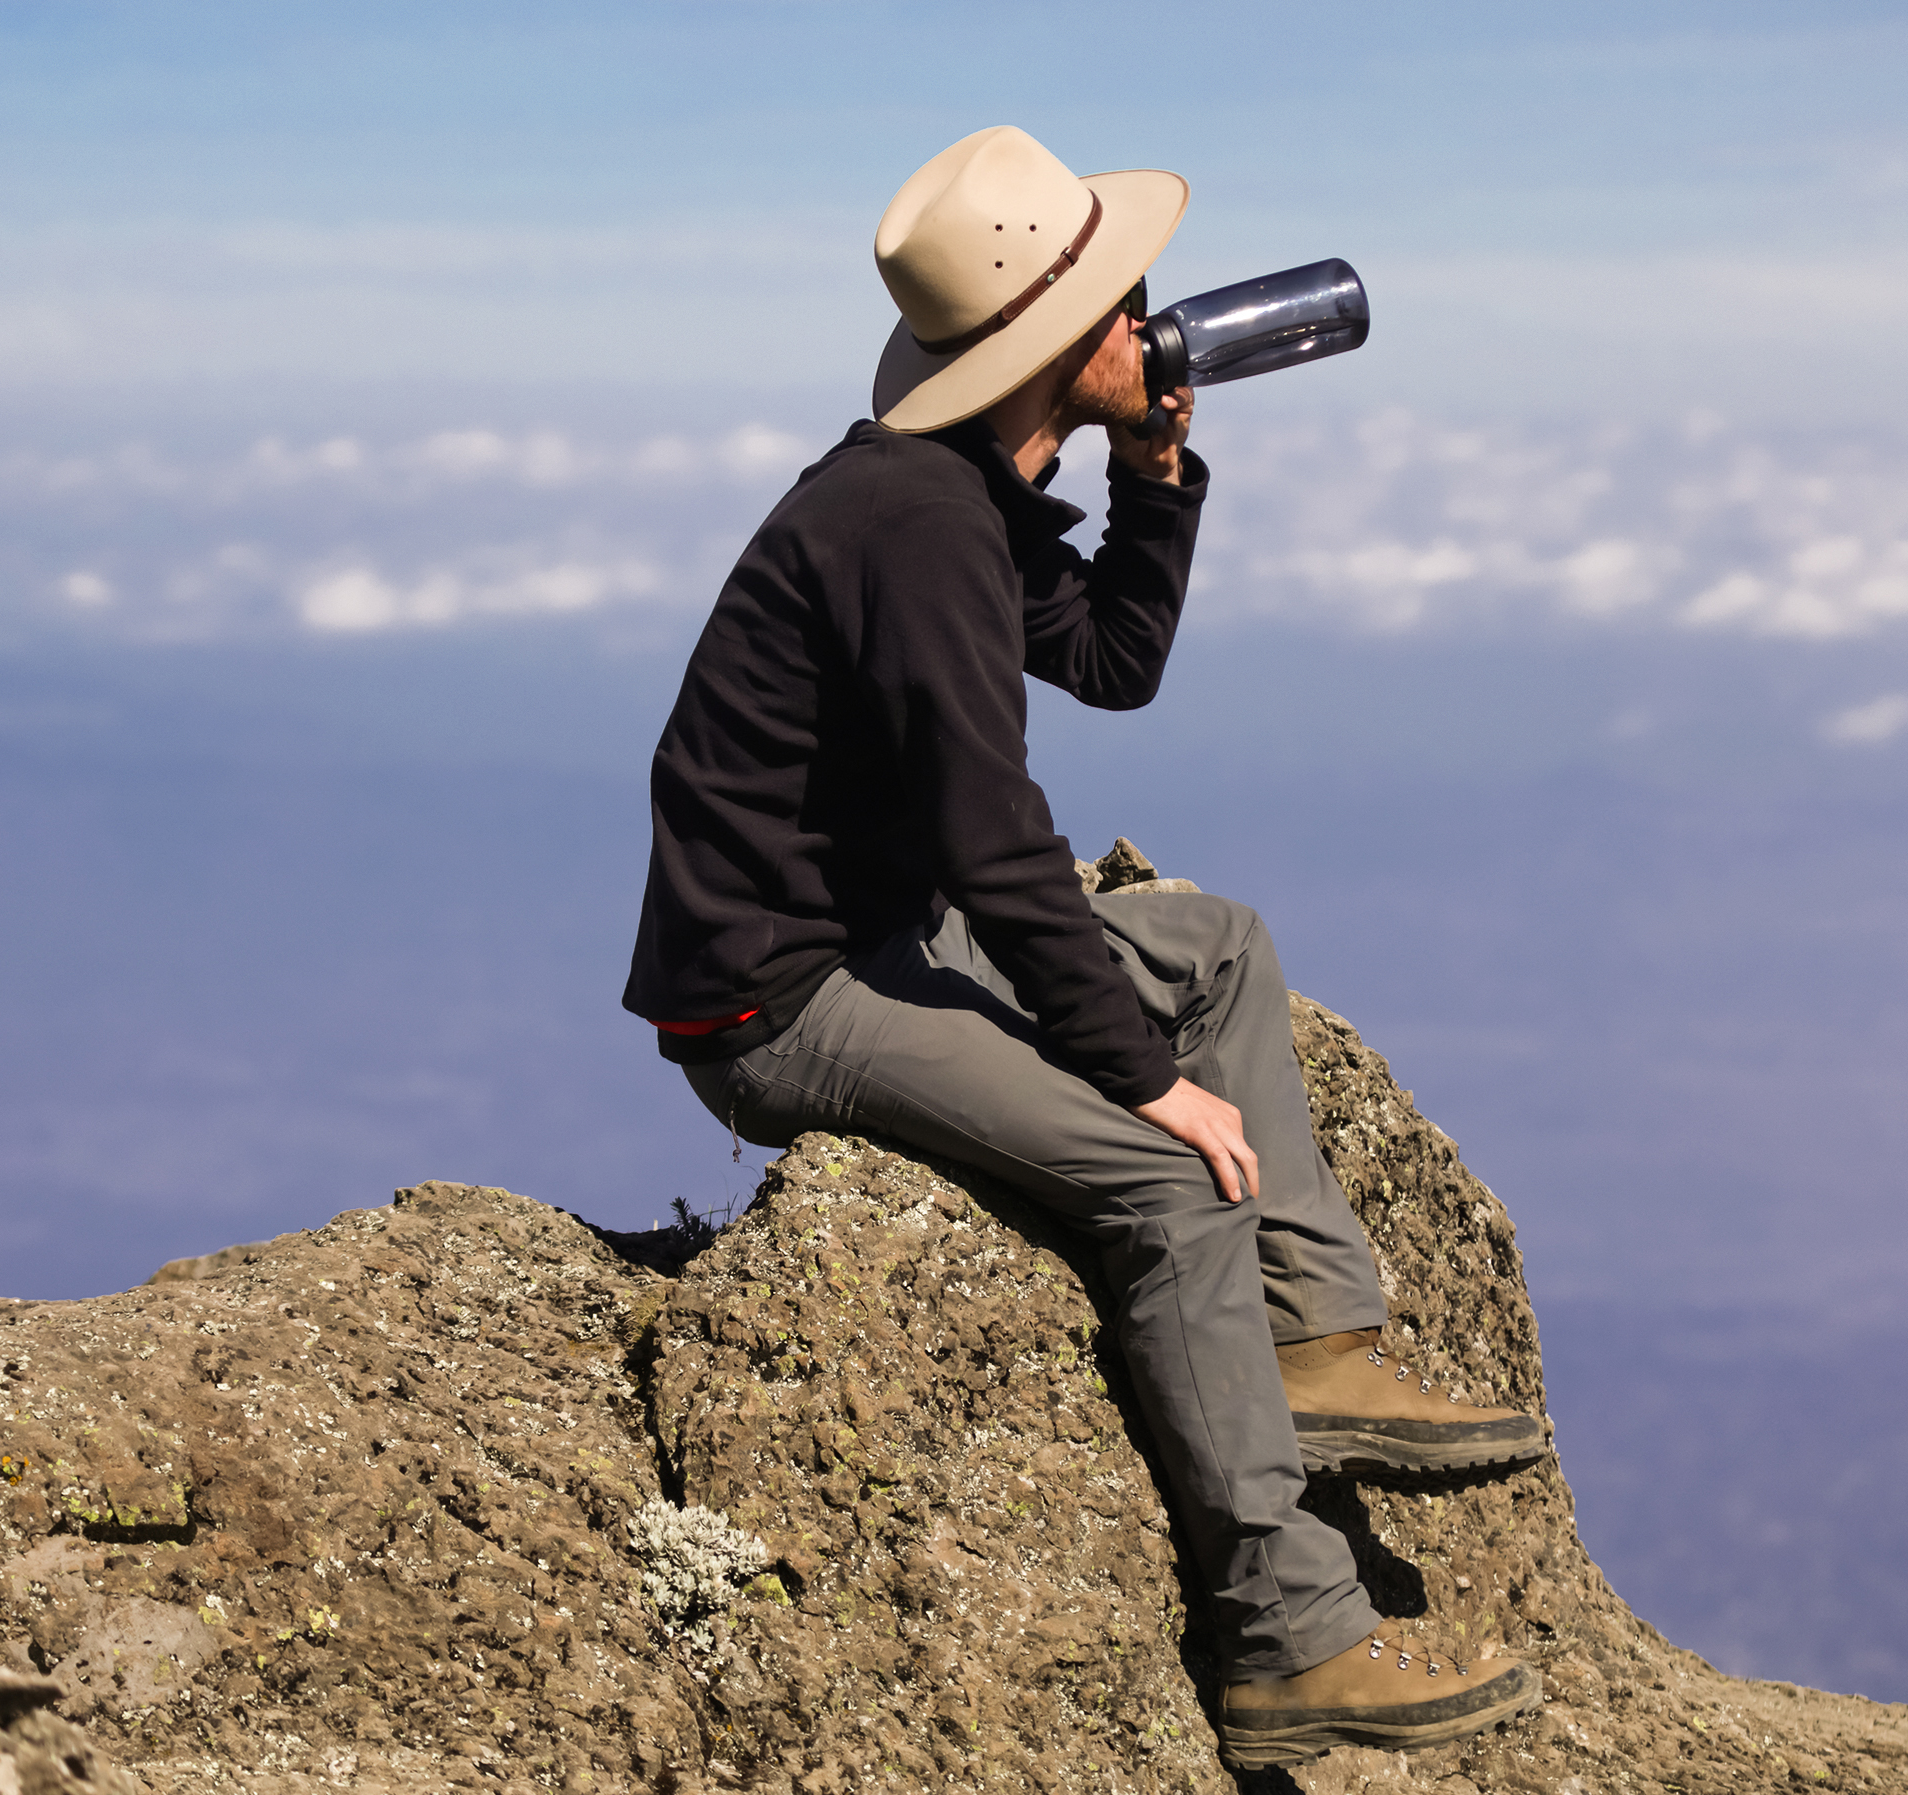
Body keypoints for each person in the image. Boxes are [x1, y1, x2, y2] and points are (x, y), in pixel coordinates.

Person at [621, 125, 1553, 1772]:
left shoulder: (965, 494)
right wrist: (1148, 1089)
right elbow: (995, 837)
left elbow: (1114, 660)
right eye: (1131, 304)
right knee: (1167, 1188)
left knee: (1218, 945)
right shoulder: (912, 526)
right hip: (785, 996)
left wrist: (1158, 477)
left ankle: (1322, 1338)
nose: (1160, 323)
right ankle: (1291, 1643)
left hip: (882, 931)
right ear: (1061, 345)